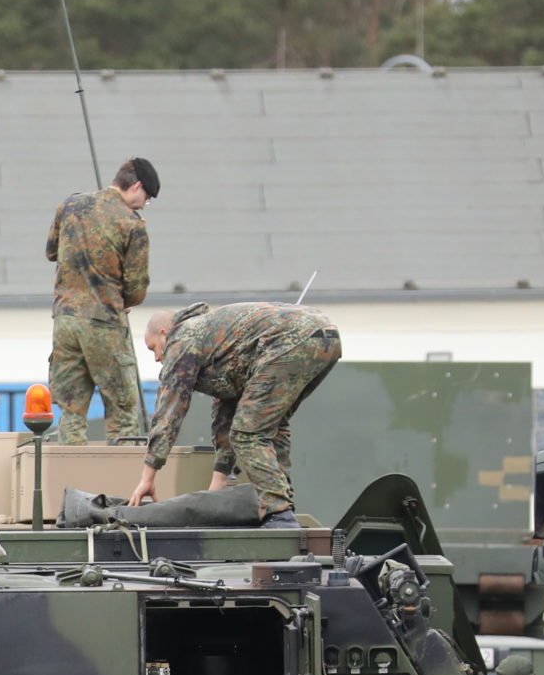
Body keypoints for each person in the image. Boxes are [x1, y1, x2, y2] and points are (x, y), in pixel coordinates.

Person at [126, 302, 342, 525]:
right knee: (271, 426)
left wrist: (147, 477)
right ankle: (282, 509)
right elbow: (225, 412)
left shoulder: (182, 337)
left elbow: (168, 412)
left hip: (289, 341)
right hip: (326, 337)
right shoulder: (215, 340)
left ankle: (279, 515)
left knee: (249, 433)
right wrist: (219, 480)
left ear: (164, 333)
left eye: (153, 348)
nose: (156, 358)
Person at [45, 157, 157, 445]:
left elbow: (51, 251)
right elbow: (137, 287)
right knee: (122, 412)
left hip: (65, 322)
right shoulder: (132, 225)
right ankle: (121, 485)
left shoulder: (70, 205)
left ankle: (69, 480)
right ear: (137, 186)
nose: (144, 205)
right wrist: (124, 299)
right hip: (104, 325)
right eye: (147, 197)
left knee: (71, 412)